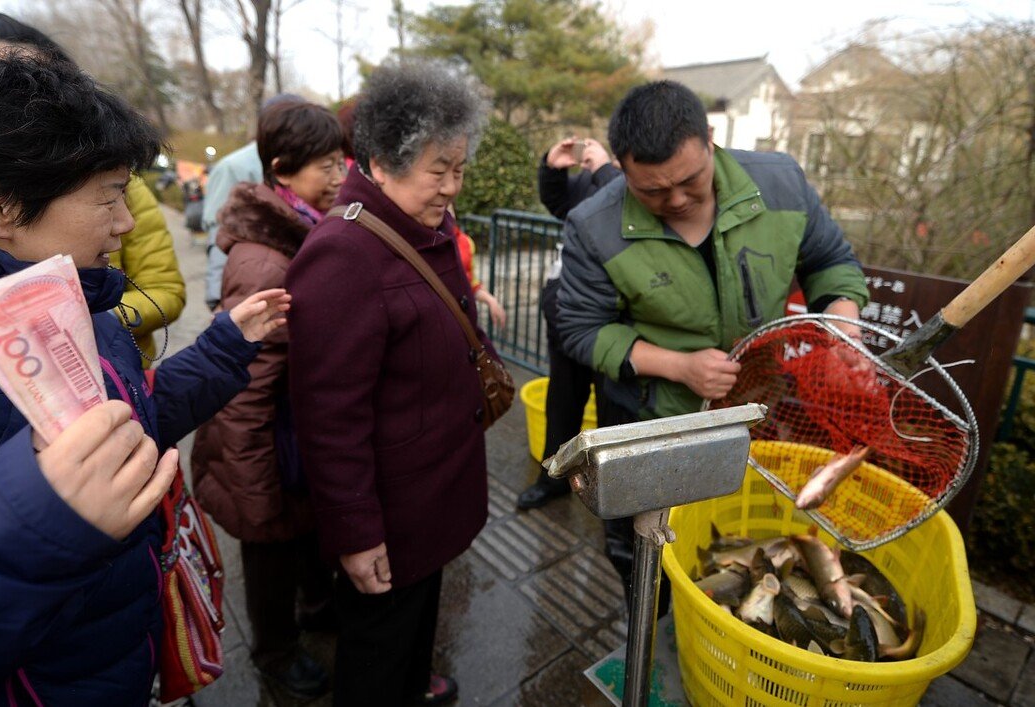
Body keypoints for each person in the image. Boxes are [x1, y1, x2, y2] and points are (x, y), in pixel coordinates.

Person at [0, 54, 289, 705]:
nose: (127, 223)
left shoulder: (64, 287)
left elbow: (129, 417)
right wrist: (34, 520)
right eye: (108, 195)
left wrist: (223, 350)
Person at [557, 80, 869, 614]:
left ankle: (703, 627)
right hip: (646, 419)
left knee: (722, 541)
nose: (676, 200)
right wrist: (677, 366)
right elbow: (582, 329)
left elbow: (829, 261)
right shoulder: (593, 225)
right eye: (652, 191)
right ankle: (649, 628)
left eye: (689, 181)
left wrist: (843, 315)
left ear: (709, 139)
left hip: (753, 408)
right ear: (622, 169)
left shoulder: (781, 184)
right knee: (639, 550)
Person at [286, 60, 492, 707]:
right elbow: (328, 416)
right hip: (392, 514)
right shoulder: (342, 254)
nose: (452, 187)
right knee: (375, 654)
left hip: (431, 495)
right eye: (439, 169)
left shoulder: (420, 227)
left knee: (413, 632)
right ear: (381, 161)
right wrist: (355, 531)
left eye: (459, 168)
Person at [190, 100, 346, 698]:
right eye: (326, 166)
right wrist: (252, 474)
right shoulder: (265, 262)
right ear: (283, 169)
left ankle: (313, 608)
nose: (339, 178)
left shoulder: (297, 232)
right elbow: (249, 381)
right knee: (268, 551)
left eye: (341, 163)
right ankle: (275, 652)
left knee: (299, 536)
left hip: (289, 430)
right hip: (261, 435)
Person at [0, 11, 187, 367]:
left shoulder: (115, 187)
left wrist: (87, 323)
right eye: (9, 83)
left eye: (49, 79)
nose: (123, 223)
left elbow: (166, 289)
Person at [516, 136, 622, 509]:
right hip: (566, 311)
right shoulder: (593, 182)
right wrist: (551, 167)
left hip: (615, 324)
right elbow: (558, 202)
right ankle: (555, 480)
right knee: (562, 399)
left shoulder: (638, 187)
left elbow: (623, 211)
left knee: (614, 409)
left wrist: (606, 169)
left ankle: (612, 494)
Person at [203, 93, 305, 309]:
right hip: (250, 285)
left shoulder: (308, 159)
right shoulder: (233, 166)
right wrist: (216, 299)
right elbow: (220, 232)